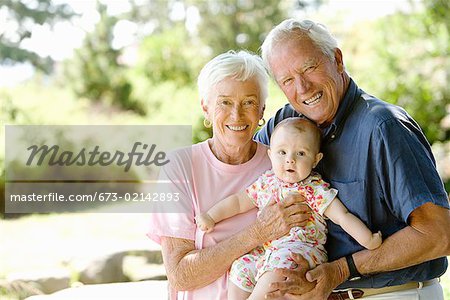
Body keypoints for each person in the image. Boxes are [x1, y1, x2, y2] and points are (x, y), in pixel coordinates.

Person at [254, 19, 450, 299]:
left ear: (337, 59)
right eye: (287, 80)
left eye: (309, 68)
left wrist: (341, 270)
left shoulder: (384, 127)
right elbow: (232, 166)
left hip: (394, 294)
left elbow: (439, 233)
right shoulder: (285, 124)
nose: (303, 87)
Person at [146, 50, 311, 300]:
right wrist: (258, 232)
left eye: (249, 102)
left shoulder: (282, 166)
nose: (237, 115)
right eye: (225, 102)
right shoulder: (179, 167)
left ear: (261, 110)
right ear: (206, 107)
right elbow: (180, 275)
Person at [196, 117, 382, 300]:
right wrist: (211, 217)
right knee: (241, 267)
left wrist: (368, 239)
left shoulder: (314, 188)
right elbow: (238, 202)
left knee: (273, 277)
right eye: (282, 152)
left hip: (300, 251)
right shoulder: (267, 182)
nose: (290, 160)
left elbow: (342, 216)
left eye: (300, 153)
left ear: (315, 160)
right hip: (268, 252)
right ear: (270, 155)